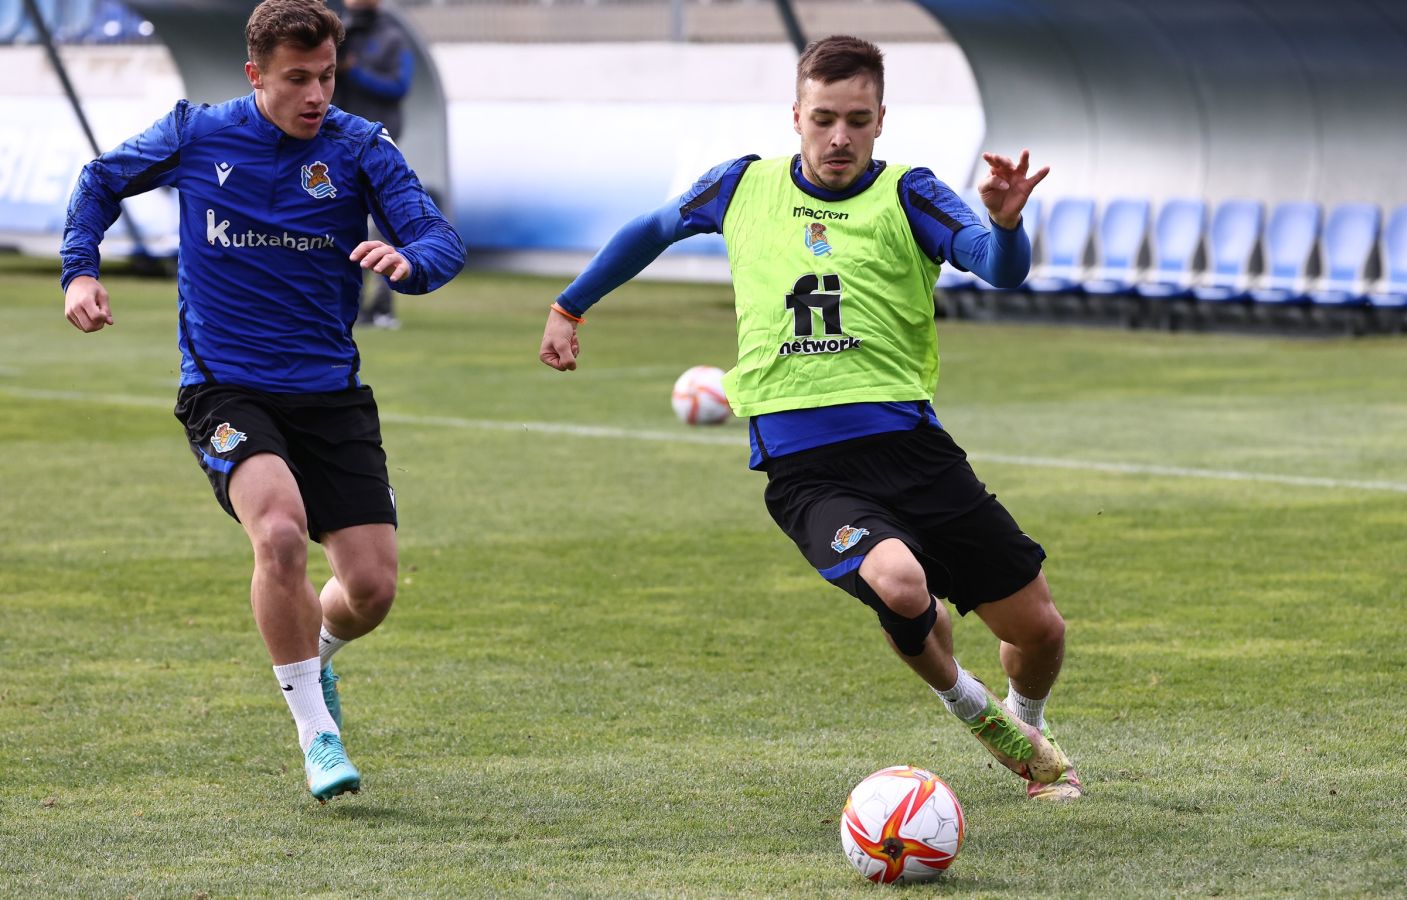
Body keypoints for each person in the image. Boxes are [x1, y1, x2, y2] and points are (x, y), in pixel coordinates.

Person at [538, 35, 1081, 802]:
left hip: (915, 454)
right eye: (823, 117)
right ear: (795, 115)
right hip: (809, 471)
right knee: (899, 583)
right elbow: (651, 230)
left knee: (1041, 632)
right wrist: (569, 307)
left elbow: (996, 266)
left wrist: (1007, 226)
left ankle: (1029, 722)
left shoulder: (911, 194)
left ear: (881, 119)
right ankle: (978, 714)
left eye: (857, 119)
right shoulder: (741, 185)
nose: (839, 137)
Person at [59, 0, 466, 802]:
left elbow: (438, 240)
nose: (317, 95)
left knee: (372, 590)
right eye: (297, 80)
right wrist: (79, 268)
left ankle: (315, 654)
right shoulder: (195, 133)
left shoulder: (359, 147)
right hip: (226, 387)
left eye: (326, 76)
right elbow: (99, 181)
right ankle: (316, 732)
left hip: (330, 396)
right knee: (278, 532)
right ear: (255, 76)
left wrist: (408, 263)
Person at [333, 0, 414, 330]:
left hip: (378, 145)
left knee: (383, 228)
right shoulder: (337, 30)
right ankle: (343, 303)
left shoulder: (394, 37)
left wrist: (355, 71)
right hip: (336, 146)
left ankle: (382, 305)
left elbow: (400, 85)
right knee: (337, 224)